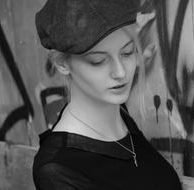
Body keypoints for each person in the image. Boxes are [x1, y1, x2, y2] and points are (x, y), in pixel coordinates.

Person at [32, 0, 182, 189]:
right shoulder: (58, 171)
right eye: (98, 61)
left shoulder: (119, 114)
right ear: (62, 64)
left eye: (127, 52)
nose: (120, 73)